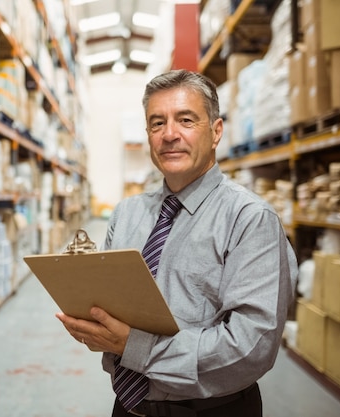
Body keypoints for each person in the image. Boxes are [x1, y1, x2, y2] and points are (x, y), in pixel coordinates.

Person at [56, 69, 298, 417]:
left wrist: (133, 346)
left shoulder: (249, 219)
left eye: (185, 120)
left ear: (216, 132)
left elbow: (250, 348)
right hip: (128, 406)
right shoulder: (126, 214)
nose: (169, 134)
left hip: (211, 410)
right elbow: (111, 310)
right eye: (157, 123)